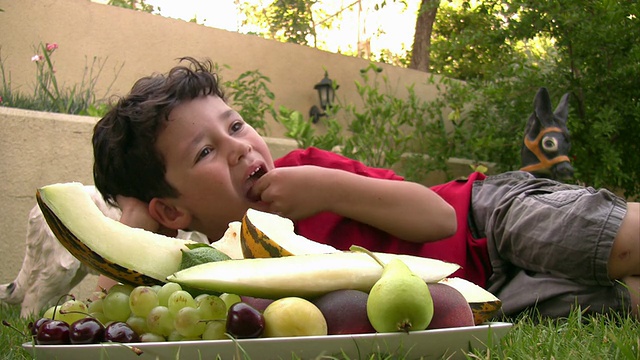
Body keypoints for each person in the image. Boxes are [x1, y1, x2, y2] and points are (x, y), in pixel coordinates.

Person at [92, 57, 639, 319]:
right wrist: (140, 222)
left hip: (487, 221)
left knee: (613, 242)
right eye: (205, 152)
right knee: (616, 303)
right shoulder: (217, 274)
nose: (238, 146)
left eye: (235, 125)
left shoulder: (308, 170)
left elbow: (438, 219)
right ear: (170, 209)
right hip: (489, 299)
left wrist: (330, 190)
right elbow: (126, 295)